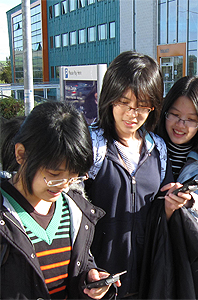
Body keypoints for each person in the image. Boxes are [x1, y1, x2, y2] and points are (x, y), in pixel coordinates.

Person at [84, 51, 194, 298]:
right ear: (109, 97)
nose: (132, 115)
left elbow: (158, 212)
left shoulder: (158, 148)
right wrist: (87, 268)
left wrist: (172, 203)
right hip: (99, 279)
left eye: (142, 106)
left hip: (147, 277)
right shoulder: (92, 145)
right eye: (124, 102)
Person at [0, 102, 120, 300]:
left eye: (74, 176)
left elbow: (81, 265)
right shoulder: (5, 212)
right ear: (21, 154)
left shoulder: (75, 210)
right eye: (54, 174)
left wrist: (90, 280)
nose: (64, 185)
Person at [156, 76, 198, 298]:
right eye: (175, 115)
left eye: (191, 119)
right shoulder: (146, 152)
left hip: (195, 266)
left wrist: (192, 202)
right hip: (151, 258)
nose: (180, 125)